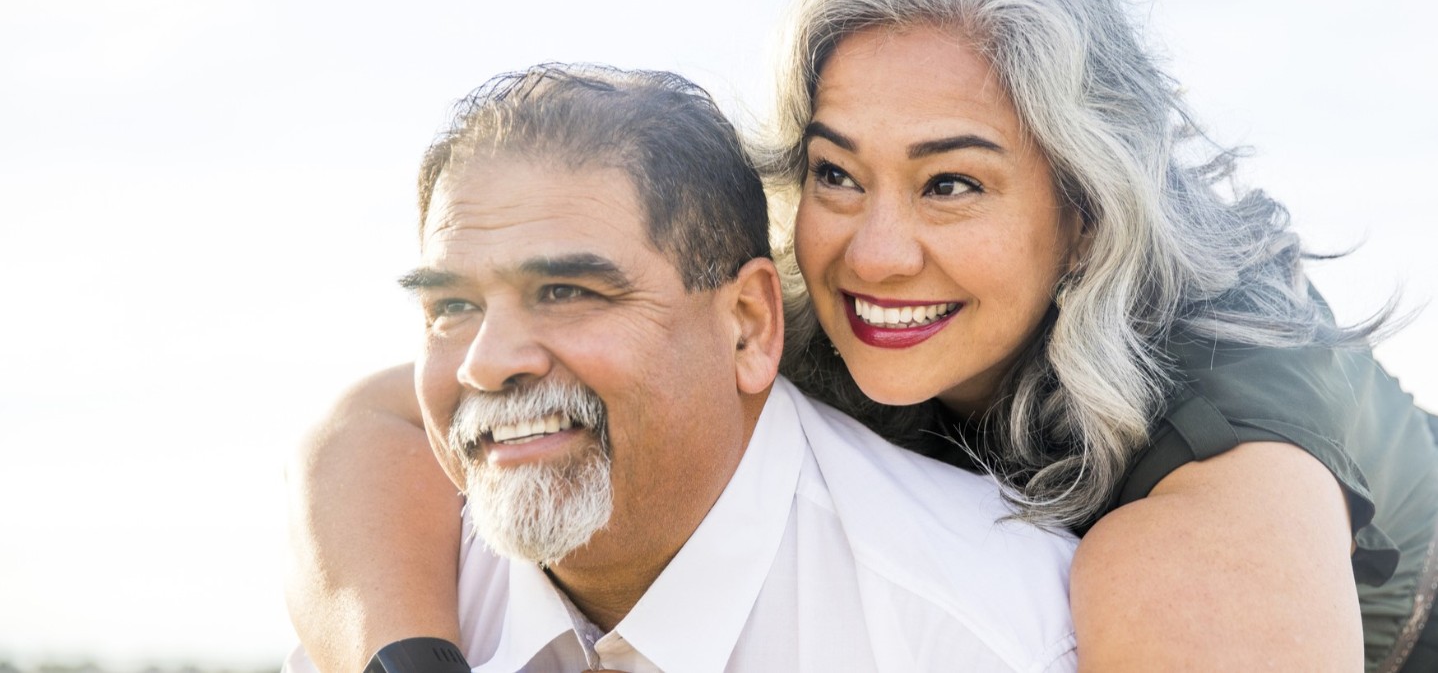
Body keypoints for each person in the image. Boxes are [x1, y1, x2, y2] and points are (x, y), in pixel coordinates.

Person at [285, 0, 1438, 672]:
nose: (873, 253)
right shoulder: (779, 304)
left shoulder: (1210, 475)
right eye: (836, 173)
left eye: (949, 184)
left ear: (1081, 211)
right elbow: (385, 421)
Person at [284, 64, 1079, 672]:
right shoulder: (401, 593)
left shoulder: (990, 627)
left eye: (565, 290)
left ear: (747, 325)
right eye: (452, 307)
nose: (487, 364)